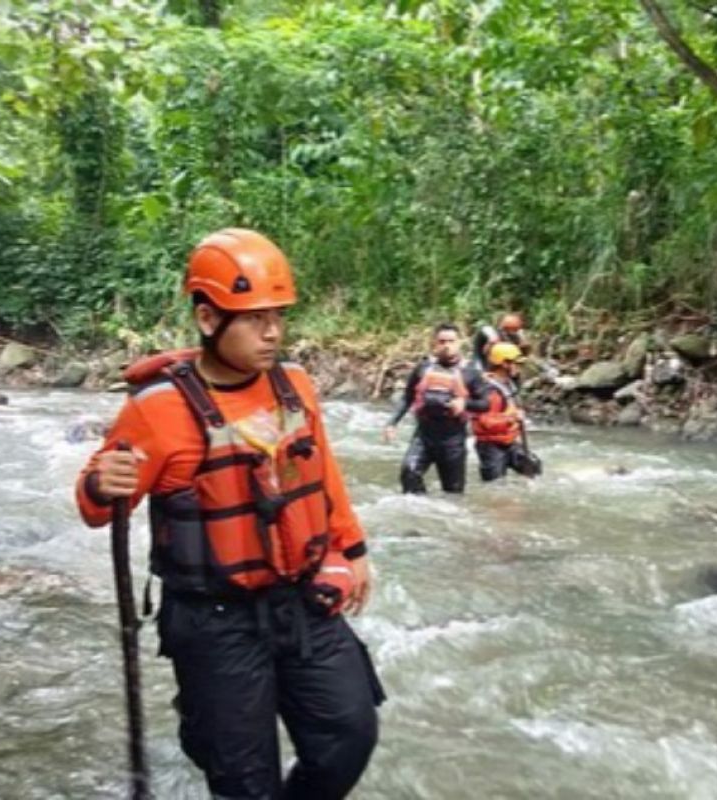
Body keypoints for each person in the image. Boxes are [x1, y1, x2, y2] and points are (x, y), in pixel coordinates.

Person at [75, 228, 383, 800]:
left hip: (301, 599)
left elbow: (323, 478)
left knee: (349, 734)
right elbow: (98, 509)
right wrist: (99, 483)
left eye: (278, 316)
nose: (272, 332)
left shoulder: (296, 387)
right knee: (244, 782)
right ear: (208, 319)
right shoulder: (157, 410)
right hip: (214, 619)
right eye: (254, 318)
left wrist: (352, 550)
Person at [383, 323, 488, 493]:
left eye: (451, 341)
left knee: (453, 492)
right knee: (409, 472)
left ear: (459, 343)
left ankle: (443, 515)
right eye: (442, 341)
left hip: (453, 440)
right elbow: (408, 397)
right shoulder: (423, 368)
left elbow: (485, 404)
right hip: (424, 436)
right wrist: (392, 423)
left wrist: (464, 404)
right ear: (434, 343)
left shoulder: (470, 372)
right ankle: (419, 510)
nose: (446, 345)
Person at [471, 342, 541, 481]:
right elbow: (486, 422)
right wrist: (512, 418)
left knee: (533, 466)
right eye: (516, 363)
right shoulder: (489, 391)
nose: (519, 367)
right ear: (505, 364)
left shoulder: (507, 383)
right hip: (490, 447)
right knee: (495, 485)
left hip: (508, 442)